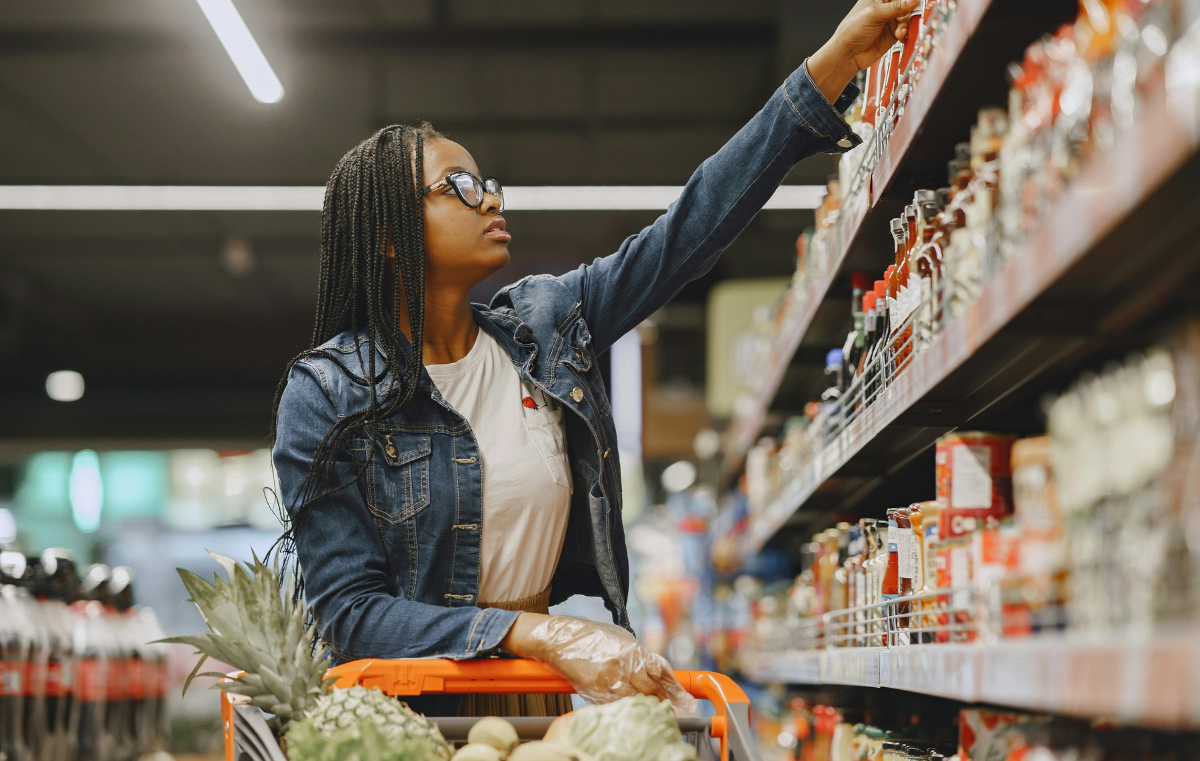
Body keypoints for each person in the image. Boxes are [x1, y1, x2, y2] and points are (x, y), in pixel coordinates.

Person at [272, 0, 920, 717]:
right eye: (459, 185)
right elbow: (353, 615)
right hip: (405, 723)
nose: (488, 196)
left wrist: (832, 64)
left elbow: (686, 231)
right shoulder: (328, 393)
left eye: (488, 181)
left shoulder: (541, 328)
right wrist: (536, 633)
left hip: (538, 708)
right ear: (390, 234)